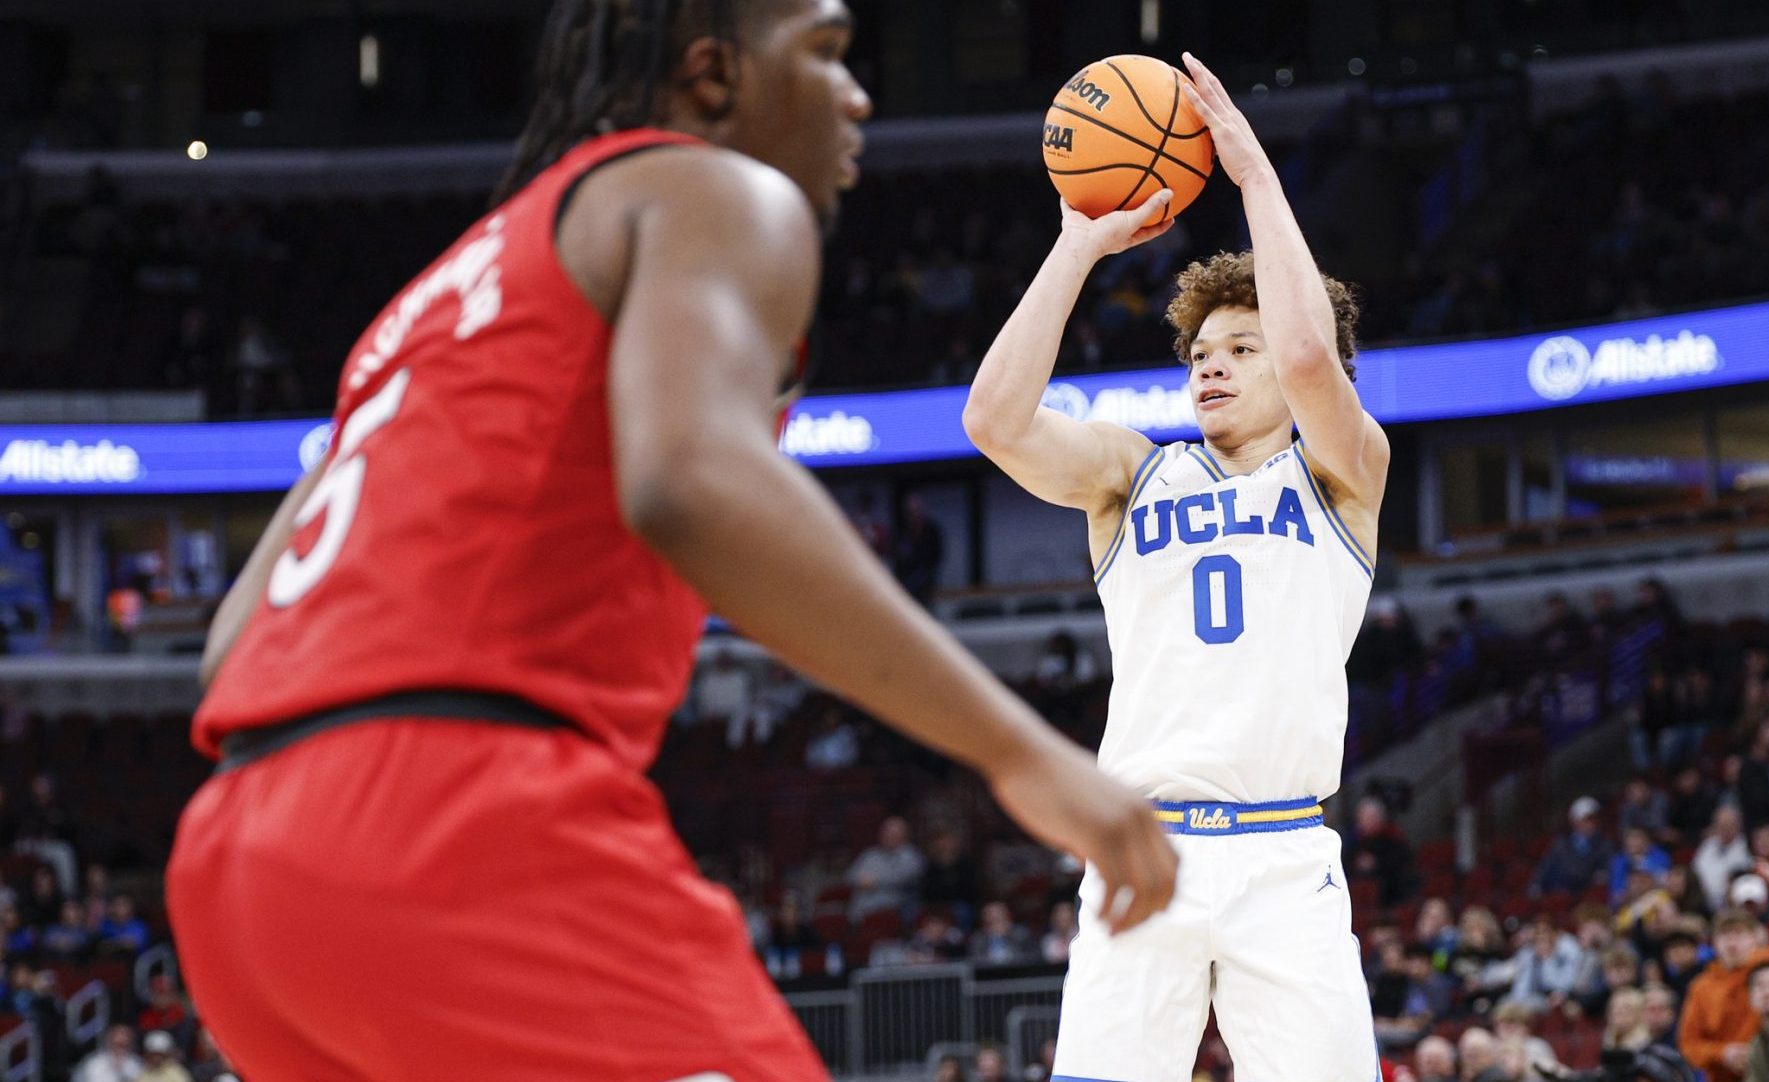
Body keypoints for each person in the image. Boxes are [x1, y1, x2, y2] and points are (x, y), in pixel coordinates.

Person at [163, 4, 1177, 1080]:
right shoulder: (712, 192)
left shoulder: (429, 299)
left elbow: (233, 646)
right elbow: (690, 482)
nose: (858, 96)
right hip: (445, 818)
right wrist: (1021, 751)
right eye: (829, 54)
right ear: (712, 75)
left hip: (237, 865)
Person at [963, 52, 1388, 1082]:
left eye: (1237, 349)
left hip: (1284, 856)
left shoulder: (1344, 472)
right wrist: (1075, 245)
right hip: (1142, 847)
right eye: (1199, 349)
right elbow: (992, 418)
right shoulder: (1129, 472)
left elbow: (1305, 359)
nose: (1210, 363)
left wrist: (1254, 178)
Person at [1679, 862, 1769, 1082]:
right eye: (1725, 935)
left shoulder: (1768, 964)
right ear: (1714, 943)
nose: (1732, 943)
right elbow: (1689, 1043)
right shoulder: (1701, 986)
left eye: (1739, 934)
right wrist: (1723, 1053)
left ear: (1754, 938)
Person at [847, 816, 925, 925]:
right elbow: (851, 876)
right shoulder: (870, 854)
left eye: (893, 833)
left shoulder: (911, 855)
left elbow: (901, 877)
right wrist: (860, 880)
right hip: (861, 909)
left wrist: (875, 881)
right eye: (885, 831)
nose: (887, 835)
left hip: (892, 908)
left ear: (904, 835)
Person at [1533, 796, 1616, 896]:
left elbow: (1606, 871)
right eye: (1586, 820)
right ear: (1575, 821)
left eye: (1594, 819)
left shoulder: (1605, 844)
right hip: (1562, 893)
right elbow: (1545, 869)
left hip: (1588, 895)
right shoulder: (1560, 844)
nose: (1591, 824)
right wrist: (1536, 885)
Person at [73, 1023, 139, 1082]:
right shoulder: (93, 1063)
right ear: (109, 1041)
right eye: (116, 1044)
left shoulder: (137, 1065)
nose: (119, 1049)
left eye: (123, 1045)